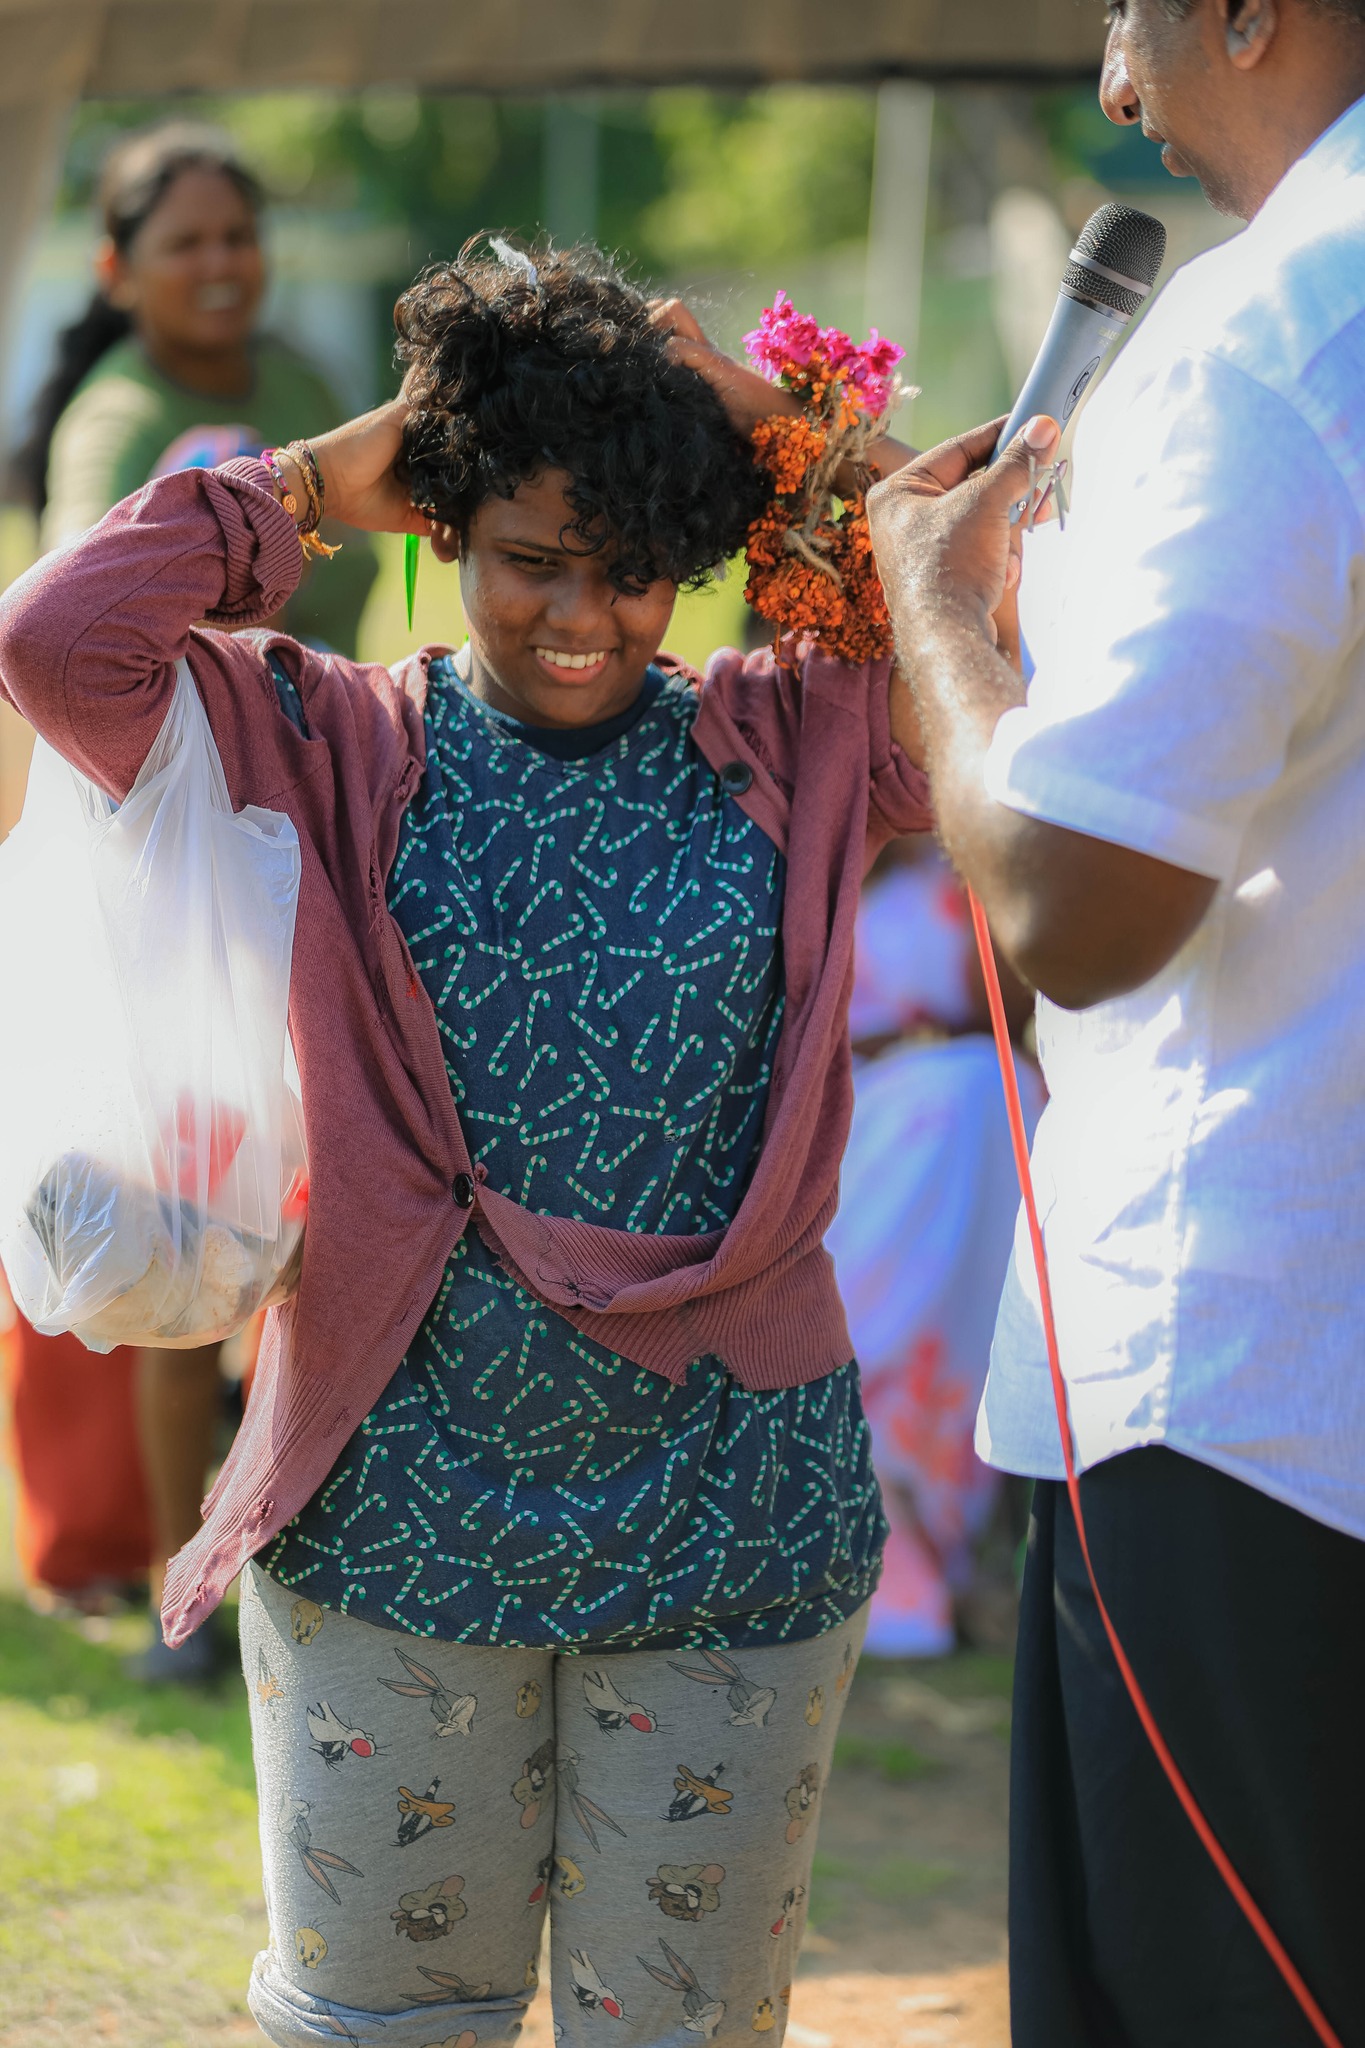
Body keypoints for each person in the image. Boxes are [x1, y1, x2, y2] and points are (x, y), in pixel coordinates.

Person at [0, 239, 928, 2048]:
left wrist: (762, 426)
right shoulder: (322, 741)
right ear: (442, 536)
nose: (583, 614)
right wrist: (365, 452)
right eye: (528, 560)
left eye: (637, 568)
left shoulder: (795, 745)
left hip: (728, 1527)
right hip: (393, 1519)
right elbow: (54, 641)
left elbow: (1002, 607)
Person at [866, 2, 1365, 2042]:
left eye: (1126, 9)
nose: (1105, 76)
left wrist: (938, 614)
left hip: (1246, 1393)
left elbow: (1078, 902)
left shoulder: (1284, 329)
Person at [9, 119, 378, 1676]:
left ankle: (306, 1546)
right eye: (187, 243)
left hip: (319, 834)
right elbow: (81, 631)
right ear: (119, 269)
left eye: (242, 236)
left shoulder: (297, 389)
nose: (224, 266)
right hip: (178, 871)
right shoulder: (117, 424)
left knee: (327, 1216)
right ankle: (181, 1594)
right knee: (191, 1215)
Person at [828, 840, 1041, 1658]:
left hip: (955, 1123)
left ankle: (930, 1545)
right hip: (829, 1123)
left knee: (980, 1091)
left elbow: (1031, 995)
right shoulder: (779, 821)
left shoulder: (957, 852)